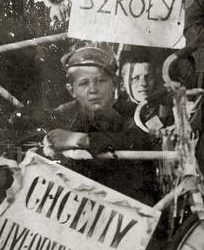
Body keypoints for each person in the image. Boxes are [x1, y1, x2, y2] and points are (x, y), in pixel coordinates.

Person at [37, 46, 158, 204]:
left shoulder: (132, 113)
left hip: (123, 202)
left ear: (114, 84)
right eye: (84, 83)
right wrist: (49, 147)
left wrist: (81, 139)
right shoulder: (62, 116)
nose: (93, 90)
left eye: (101, 81)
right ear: (71, 90)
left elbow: (139, 140)